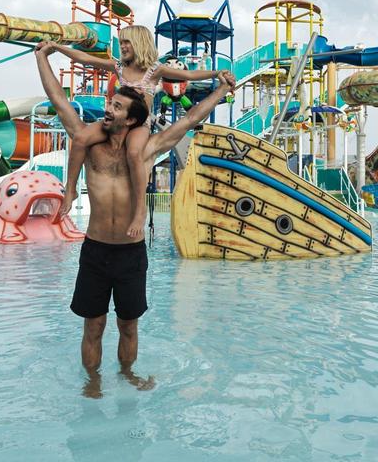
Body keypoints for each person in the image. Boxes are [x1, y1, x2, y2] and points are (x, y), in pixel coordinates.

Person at [34, 42, 235, 392]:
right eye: (110, 104)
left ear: (133, 119)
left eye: (116, 107)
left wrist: (221, 89)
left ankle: (127, 375)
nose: (107, 111)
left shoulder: (146, 149)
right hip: (95, 249)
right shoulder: (89, 141)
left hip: (130, 252)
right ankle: (92, 382)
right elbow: (58, 99)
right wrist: (42, 58)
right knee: (93, 326)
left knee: (129, 326)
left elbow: (191, 118)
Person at [40, 26, 224, 240]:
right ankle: (70, 189)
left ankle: (140, 210)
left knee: (134, 153)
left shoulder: (155, 70)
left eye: (127, 42)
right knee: (80, 138)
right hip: (118, 122)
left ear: (140, 44)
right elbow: (85, 59)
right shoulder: (118, 66)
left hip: (140, 125)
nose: (123, 46)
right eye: (122, 42)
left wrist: (216, 74)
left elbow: (189, 75)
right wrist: (57, 48)